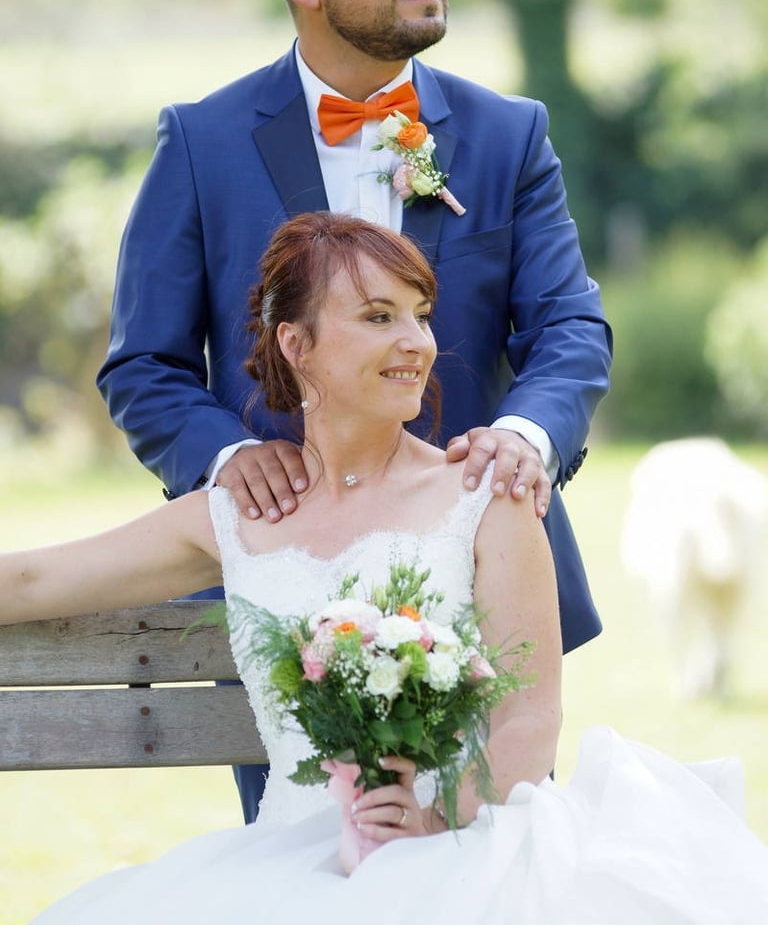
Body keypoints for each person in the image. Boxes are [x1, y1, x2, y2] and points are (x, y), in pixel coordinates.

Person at [6, 214, 767, 925]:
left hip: (469, 844)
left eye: (420, 314)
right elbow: (34, 581)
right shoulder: (236, 515)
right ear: (296, 345)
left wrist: (438, 819)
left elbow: (529, 717)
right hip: (297, 856)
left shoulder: (484, 495)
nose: (418, 343)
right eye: (378, 317)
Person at [96, 0, 612, 821]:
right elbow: (145, 365)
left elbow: (572, 326)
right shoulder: (202, 143)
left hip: (476, 585)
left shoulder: (509, 134)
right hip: (294, 609)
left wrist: (526, 441)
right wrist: (234, 457)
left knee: (484, 840)